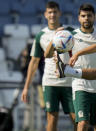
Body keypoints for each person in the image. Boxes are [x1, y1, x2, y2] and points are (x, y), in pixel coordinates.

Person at [46, 3, 96, 131]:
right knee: (82, 124)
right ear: (79, 18)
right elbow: (56, 61)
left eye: (89, 15)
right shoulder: (69, 36)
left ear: (94, 17)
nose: (86, 18)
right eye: (83, 16)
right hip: (80, 87)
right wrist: (56, 55)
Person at [21, 1, 76, 131]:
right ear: (45, 14)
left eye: (55, 12)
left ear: (60, 13)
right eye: (50, 12)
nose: (52, 15)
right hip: (50, 82)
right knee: (51, 118)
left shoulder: (70, 32)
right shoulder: (41, 35)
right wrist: (26, 87)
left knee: (77, 120)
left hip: (70, 82)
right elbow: (34, 62)